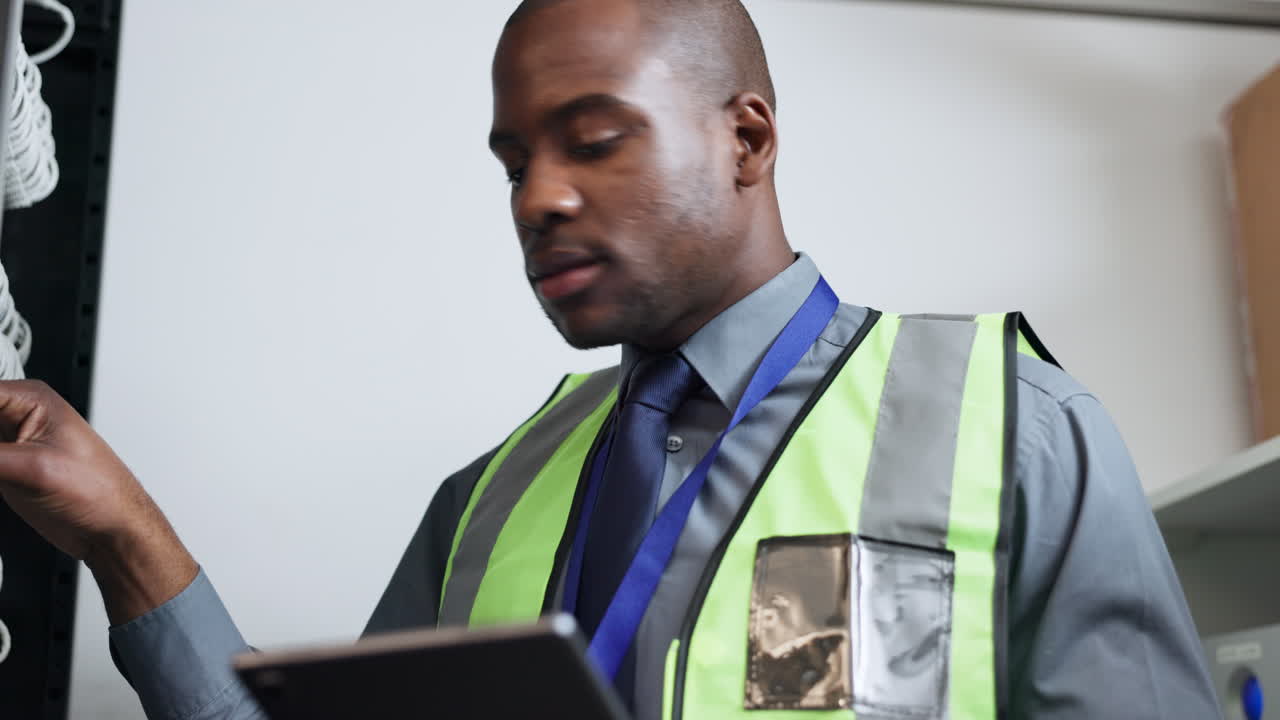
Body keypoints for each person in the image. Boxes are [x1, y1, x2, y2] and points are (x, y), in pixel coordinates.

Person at [0, 1, 1220, 719]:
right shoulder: (486, 500)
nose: (537, 196)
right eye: (511, 161)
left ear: (744, 138)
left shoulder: (1008, 428)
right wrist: (126, 537)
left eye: (592, 141)